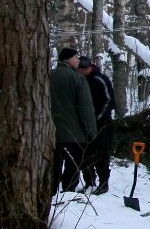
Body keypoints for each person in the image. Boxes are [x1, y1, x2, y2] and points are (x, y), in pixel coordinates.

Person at [49, 47, 97, 193]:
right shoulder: (77, 79)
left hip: (51, 132)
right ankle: (68, 193)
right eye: (76, 57)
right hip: (75, 134)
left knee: (53, 167)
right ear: (69, 59)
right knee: (72, 167)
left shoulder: (48, 76)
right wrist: (91, 131)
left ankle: (51, 193)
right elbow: (85, 108)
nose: (78, 61)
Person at [78, 55, 115, 194]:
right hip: (85, 125)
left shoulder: (100, 80)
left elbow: (109, 101)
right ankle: (89, 182)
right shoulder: (80, 80)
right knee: (85, 155)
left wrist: (97, 119)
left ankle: (103, 183)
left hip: (102, 125)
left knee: (102, 155)